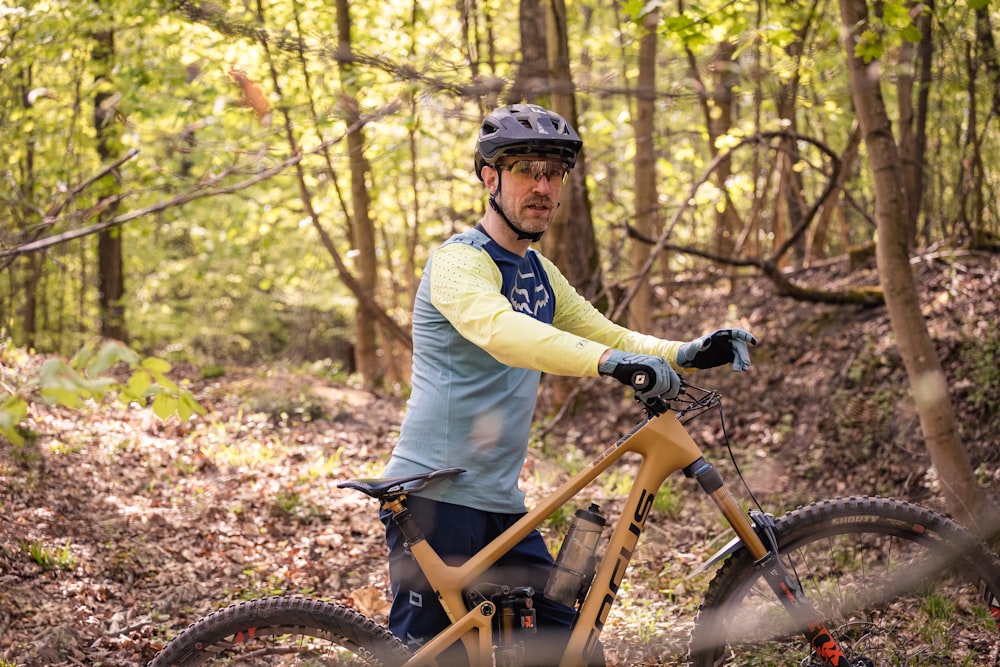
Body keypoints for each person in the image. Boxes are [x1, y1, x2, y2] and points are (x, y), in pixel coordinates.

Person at [379, 103, 756, 666]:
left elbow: (604, 330)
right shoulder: (457, 264)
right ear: (490, 177)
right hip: (435, 499)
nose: (543, 187)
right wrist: (609, 363)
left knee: (573, 652)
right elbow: (505, 333)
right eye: (528, 169)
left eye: (554, 174)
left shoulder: (538, 271)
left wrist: (686, 352)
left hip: (502, 506)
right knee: (431, 657)